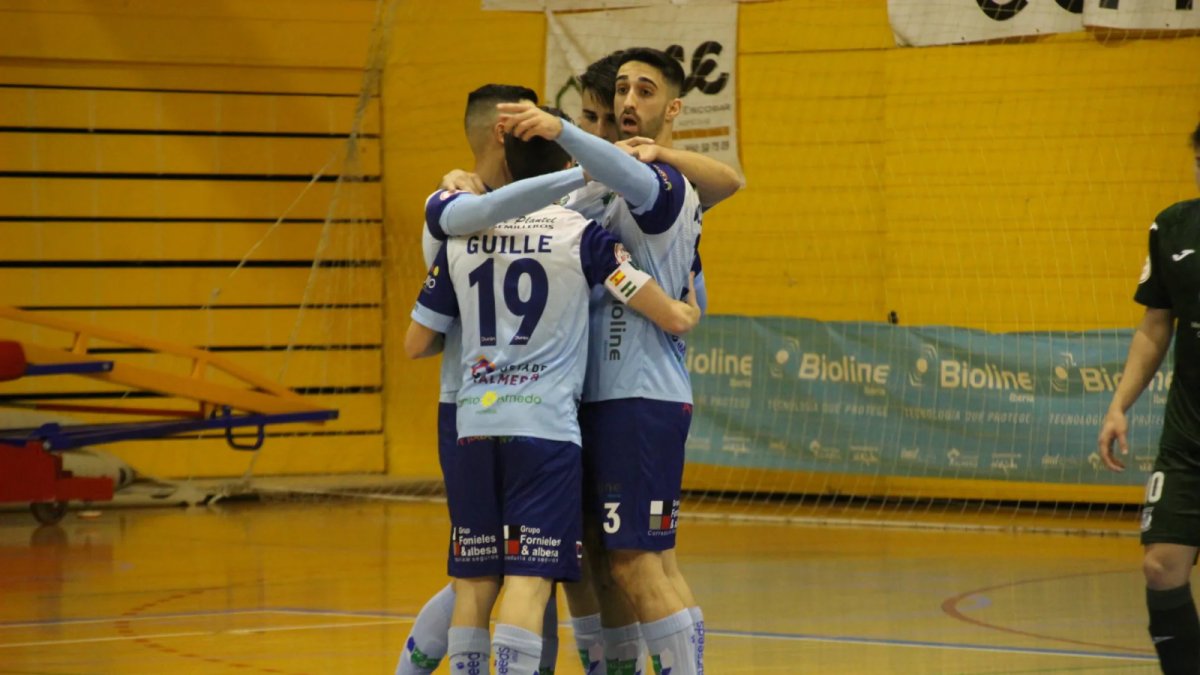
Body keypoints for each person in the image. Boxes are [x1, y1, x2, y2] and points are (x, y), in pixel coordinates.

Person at [406, 106, 702, 674]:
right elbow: (639, 293)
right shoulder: (583, 235)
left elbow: (416, 343)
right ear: (570, 163)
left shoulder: (460, 233)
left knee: (472, 585)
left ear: (505, 164)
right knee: (529, 578)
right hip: (543, 431)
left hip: (472, 424)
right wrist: (679, 315)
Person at [499, 46, 727, 675]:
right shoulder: (598, 194)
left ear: (673, 108)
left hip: (638, 397)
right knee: (606, 559)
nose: (629, 103)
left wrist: (557, 127)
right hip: (593, 400)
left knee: (638, 563)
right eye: (622, 90)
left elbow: (721, 183)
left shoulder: (661, 181)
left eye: (645, 92)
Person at [396, 82, 565, 675]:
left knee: (496, 570)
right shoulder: (456, 210)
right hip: (494, 405)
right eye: (532, 117)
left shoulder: (455, 206)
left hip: (490, 408)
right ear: (505, 130)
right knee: (499, 570)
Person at [1098, 120, 1200, 675]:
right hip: (1189, 438)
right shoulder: (1174, 227)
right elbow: (1156, 325)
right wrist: (1119, 405)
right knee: (1161, 567)